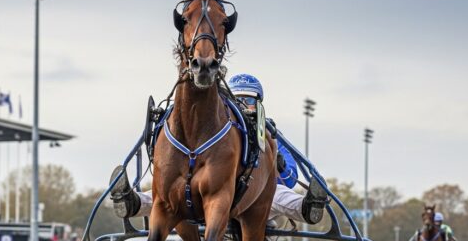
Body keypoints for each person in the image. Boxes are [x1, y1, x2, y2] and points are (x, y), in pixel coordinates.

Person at [110, 73, 329, 225]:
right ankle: (132, 202)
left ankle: (307, 209)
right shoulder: (215, 133)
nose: (243, 104)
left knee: (278, 195)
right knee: (166, 194)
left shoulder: (269, 135)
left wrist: (279, 165)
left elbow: (291, 180)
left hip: (254, 199)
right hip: (211, 195)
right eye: (237, 99)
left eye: (249, 100)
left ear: (259, 105)